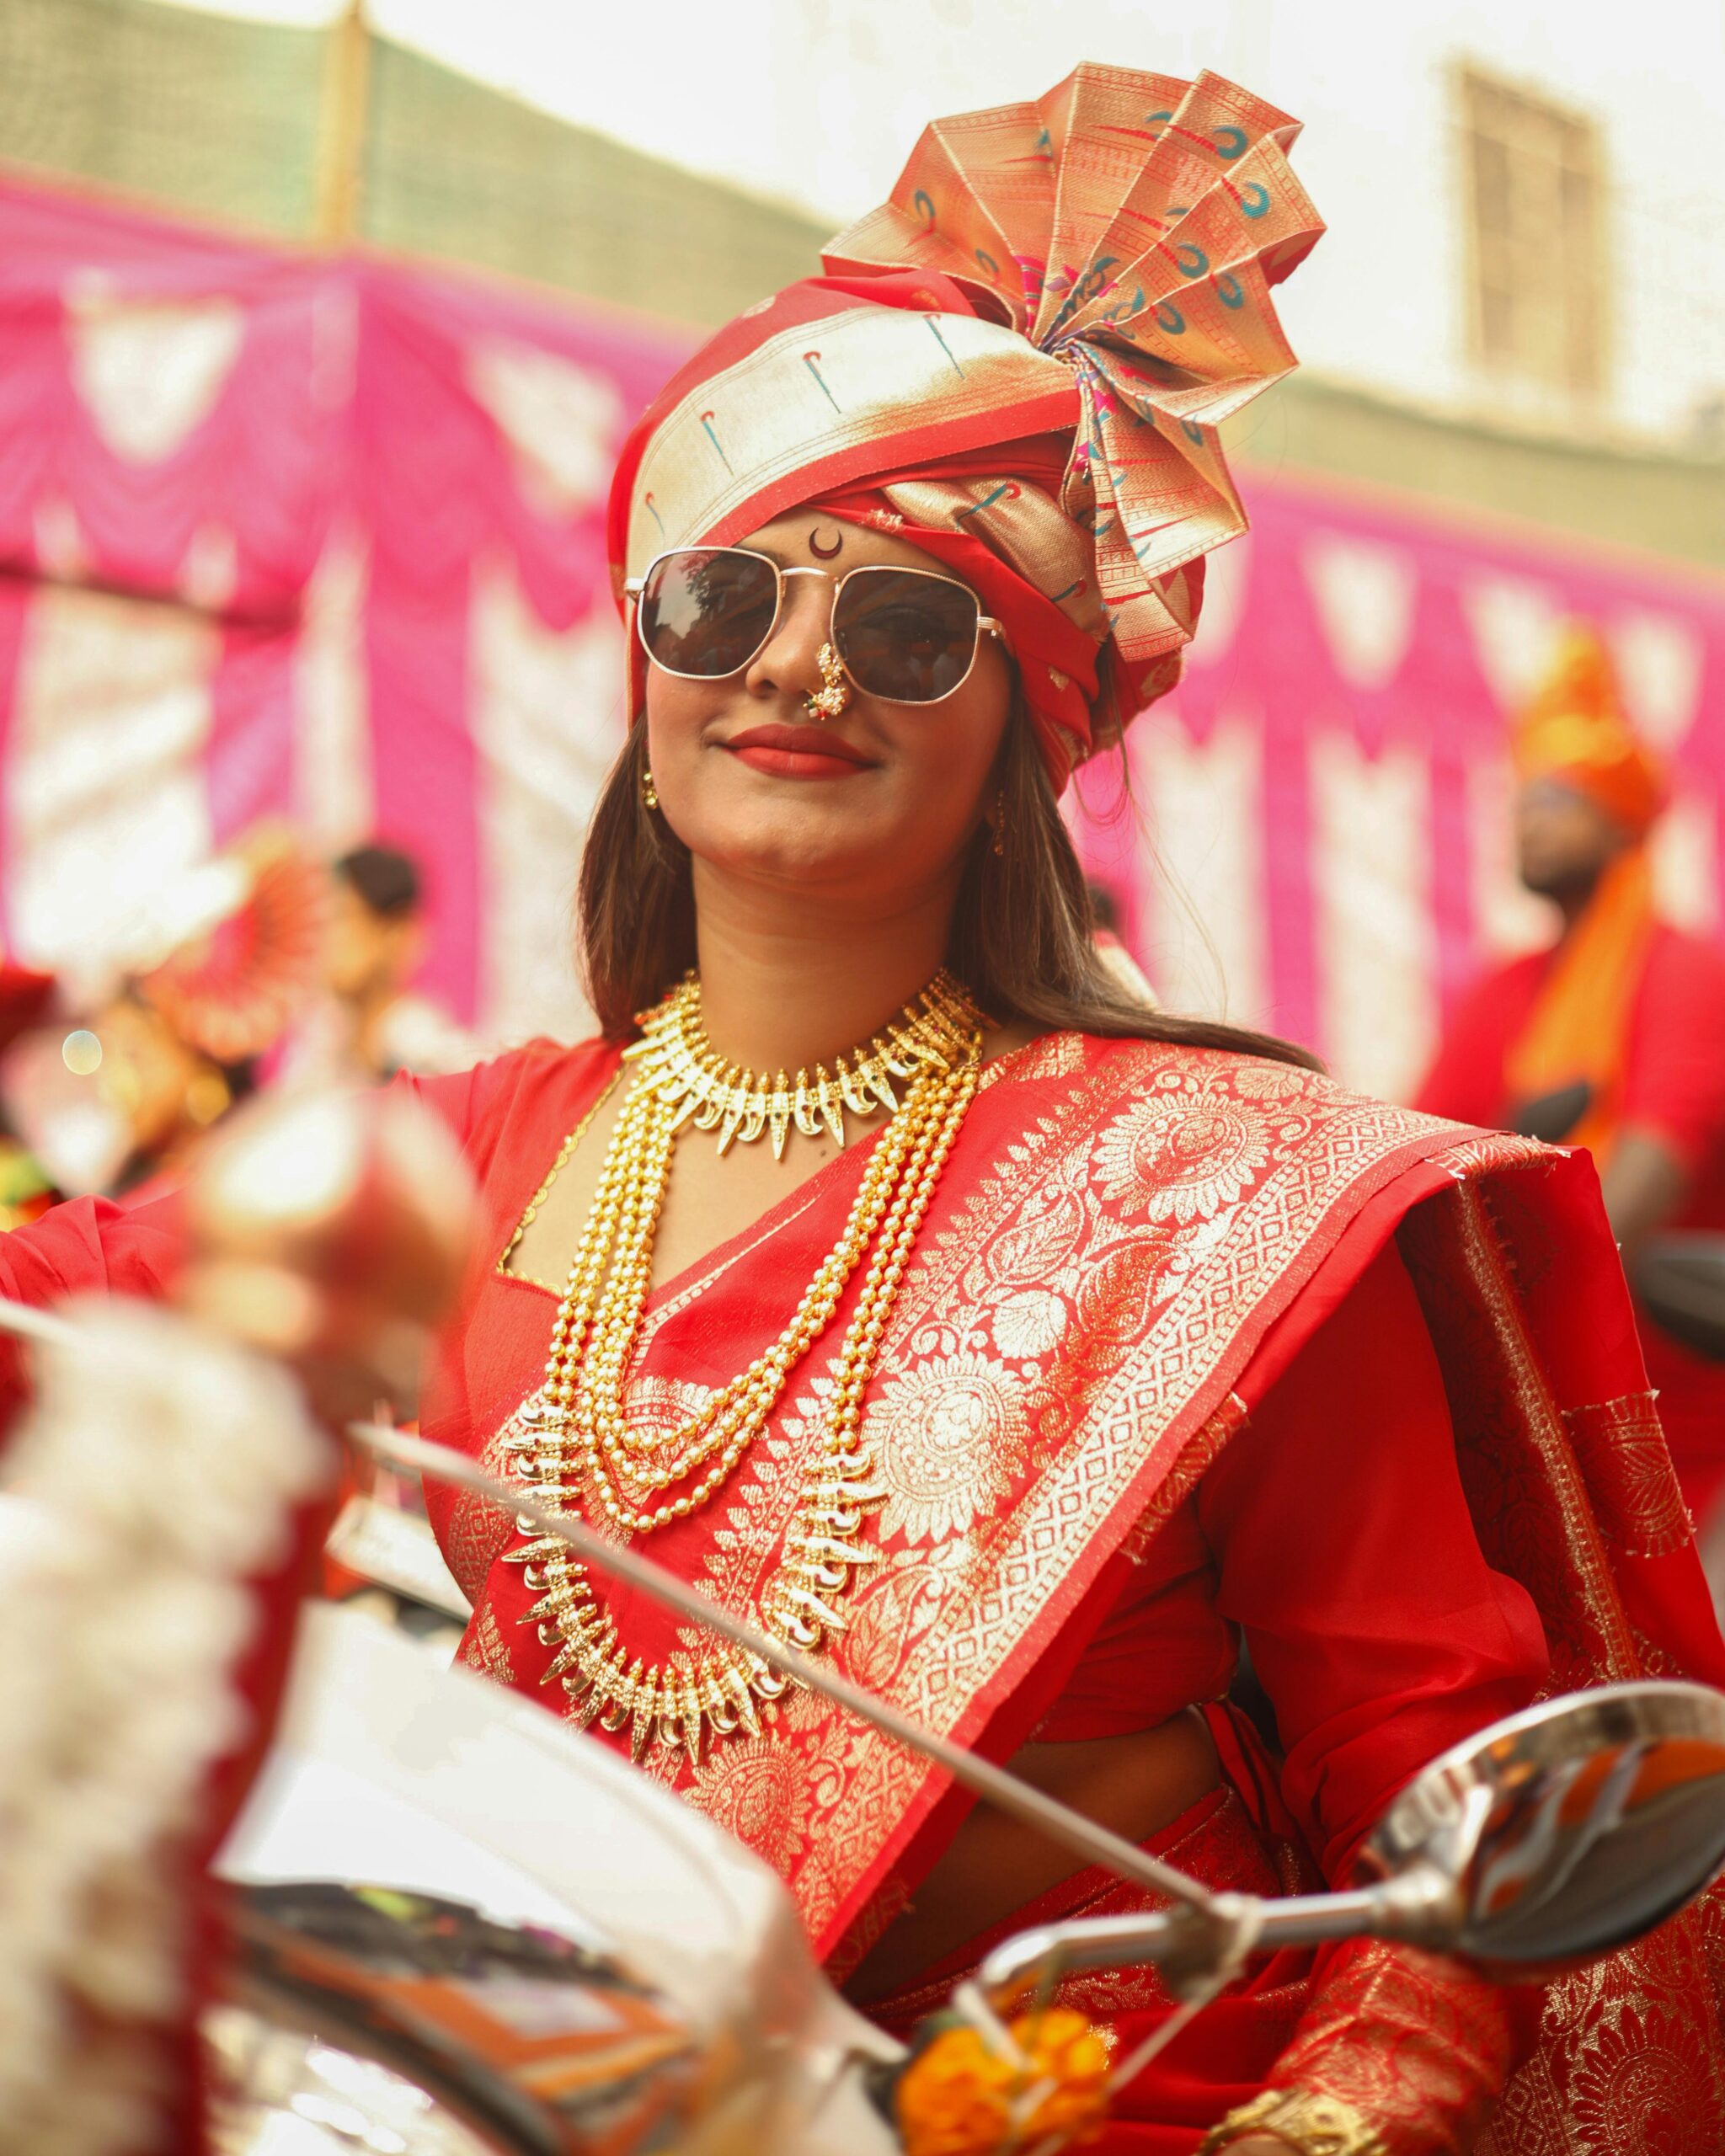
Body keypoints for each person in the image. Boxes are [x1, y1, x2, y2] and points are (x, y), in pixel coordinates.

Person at [0, 63, 1720, 2156]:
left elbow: (1446, 1777)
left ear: (1017, 731)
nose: (800, 667)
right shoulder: (466, 1158)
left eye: (907, 624)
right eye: (725, 602)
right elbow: (48, 1307)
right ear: (643, 687)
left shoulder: (1210, 1200)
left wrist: (1360, 2100)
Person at [1416, 626, 1725, 1525]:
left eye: (1555, 796)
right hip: (1535, 1417)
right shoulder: (1501, 991)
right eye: (1518, 796)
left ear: (1622, 820)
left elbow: (1662, 1144)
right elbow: (1414, 1142)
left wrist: (1533, 1289)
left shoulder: (1683, 967)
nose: (1523, 816)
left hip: (1688, 1438)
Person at [291, 844, 474, 1085]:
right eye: (319, 922)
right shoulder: (324, 1049)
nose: (325, 939)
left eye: (341, 917)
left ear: (394, 933)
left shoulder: (424, 1051)